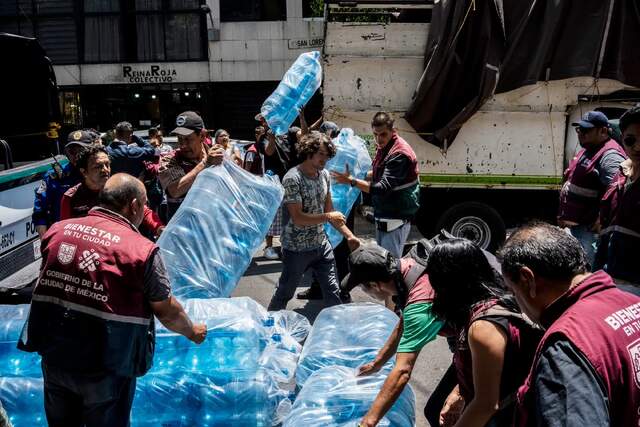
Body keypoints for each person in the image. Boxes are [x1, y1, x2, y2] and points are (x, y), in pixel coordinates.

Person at [18, 173, 207, 427]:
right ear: (134, 206)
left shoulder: (57, 232)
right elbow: (167, 311)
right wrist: (193, 331)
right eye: (144, 206)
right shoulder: (141, 250)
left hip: (56, 358)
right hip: (106, 365)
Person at [499, 222, 640, 426]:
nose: (516, 300)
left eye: (513, 291)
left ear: (527, 279)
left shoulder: (566, 346)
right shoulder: (632, 302)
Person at [427, 239, 542, 427]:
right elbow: (490, 372)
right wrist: (459, 393)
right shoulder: (494, 301)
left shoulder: (483, 327)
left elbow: (486, 404)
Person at [338, 242, 443, 427]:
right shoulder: (407, 268)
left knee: (447, 411)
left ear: (374, 285)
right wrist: (377, 363)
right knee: (436, 409)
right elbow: (403, 322)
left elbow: (403, 371)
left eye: (363, 287)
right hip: (471, 339)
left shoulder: (419, 302)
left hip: (488, 340)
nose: (365, 292)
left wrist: (368, 422)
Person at [267, 132, 359, 311]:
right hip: (296, 248)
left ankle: (336, 330)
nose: (325, 159)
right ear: (309, 151)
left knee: (333, 290)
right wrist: (328, 217)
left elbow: (329, 211)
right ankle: (268, 327)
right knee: (285, 292)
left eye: (327, 155)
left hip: (321, 245)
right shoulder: (292, 178)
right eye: (321, 154)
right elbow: (298, 218)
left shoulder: (324, 175)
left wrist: (350, 236)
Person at [332, 112, 419, 259]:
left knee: (390, 266)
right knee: (383, 263)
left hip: (395, 217)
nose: (378, 139)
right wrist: (360, 175)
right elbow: (379, 173)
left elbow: (382, 188)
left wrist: (352, 181)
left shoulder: (399, 153)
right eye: (375, 134)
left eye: (383, 134)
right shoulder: (385, 146)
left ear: (393, 131)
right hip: (386, 215)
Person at [558, 111, 626, 266]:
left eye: (586, 130)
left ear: (603, 131)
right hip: (578, 228)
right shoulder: (589, 148)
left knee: (587, 272)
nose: (581, 134)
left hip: (590, 232)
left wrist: (601, 217)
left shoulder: (610, 156)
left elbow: (617, 191)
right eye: (579, 129)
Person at [60, 146, 164, 240]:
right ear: (84, 171)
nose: (105, 170)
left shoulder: (119, 188)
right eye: (98, 167)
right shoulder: (71, 197)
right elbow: (66, 230)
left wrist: (158, 227)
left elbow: (143, 210)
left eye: (107, 165)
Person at [596, 106, 640, 290]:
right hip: (609, 281)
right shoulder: (620, 175)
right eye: (631, 140)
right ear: (622, 139)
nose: (638, 147)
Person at [158, 111, 224, 220]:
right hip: (182, 231)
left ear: (202, 136)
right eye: (179, 139)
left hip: (213, 227)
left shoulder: (217, 155)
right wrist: (205, 164)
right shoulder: (170, 160)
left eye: (188, 139)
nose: (183, 145)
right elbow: (175, 190)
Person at [32, 130, 89, 238]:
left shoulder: (101, 172)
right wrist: (45, 243)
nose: (76, 156)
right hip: (63, 238)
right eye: (72, 151)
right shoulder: (54, 176)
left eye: (81, 151)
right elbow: (40, 212)